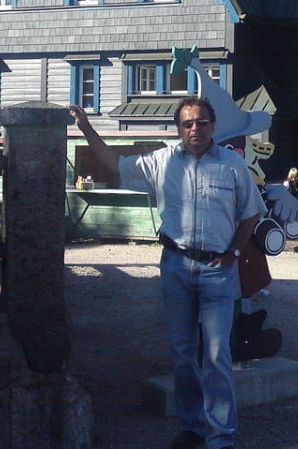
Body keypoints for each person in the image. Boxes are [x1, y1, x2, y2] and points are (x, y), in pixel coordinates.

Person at [70, 97, 264, 449]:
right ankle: (192, 428)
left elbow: (251, 212)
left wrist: (234, 252)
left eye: (202, 122)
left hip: (217, 272)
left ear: (213, 126)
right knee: (182, 354)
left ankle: (221, 437)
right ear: (179, 129)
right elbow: (114, 164)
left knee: (218, 356)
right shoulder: (162, 162)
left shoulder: (233, 166)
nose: (195, 129)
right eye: (188, 123)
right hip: (176, 266)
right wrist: (85, 128)